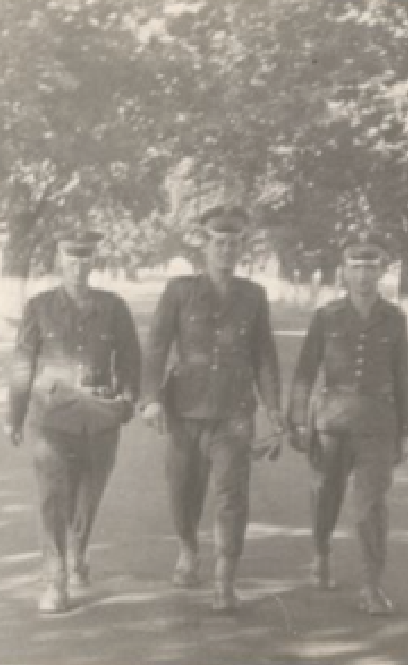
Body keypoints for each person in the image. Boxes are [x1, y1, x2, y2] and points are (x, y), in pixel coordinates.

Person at [140, 204, 285, 613]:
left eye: (234, 243)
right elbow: (156, 347)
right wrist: (150, 398)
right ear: (204, 246)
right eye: (218, 242)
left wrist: (273, 411)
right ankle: (188, 548)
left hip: (234, 411)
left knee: (231, 494)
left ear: (243, 248)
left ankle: (225, 577)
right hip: (185, 409)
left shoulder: (253, 296)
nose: (226, 250)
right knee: (183, 490)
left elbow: (264, 357)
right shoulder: (180, 291)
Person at [6, 229, 141, 614]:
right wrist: (14, 416)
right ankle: (55, 578)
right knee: (52, 496)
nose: (79, 266)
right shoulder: (39, 307)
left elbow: (130, 359)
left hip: (100, 418)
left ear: (94, 261)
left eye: (86, 258)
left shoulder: (114, 307)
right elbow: (22, 364)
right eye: (71, 257)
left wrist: (126, 400)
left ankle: (77, 550)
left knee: (88, 496)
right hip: (52, 416)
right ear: (59, 260)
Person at [286, 228, 408, 616]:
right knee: (326, 496)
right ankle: (321, 552)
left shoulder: (394, 318)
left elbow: (402, 376)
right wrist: (297, 419)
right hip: (332, 424)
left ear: (382, 272)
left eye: (370, 267)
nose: (362, 275)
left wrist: (406, 431)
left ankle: (372, 585)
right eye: (355, 267)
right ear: (343, 272)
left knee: (370, 506)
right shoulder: (327, 317)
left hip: (378, 424)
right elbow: (306, 371)